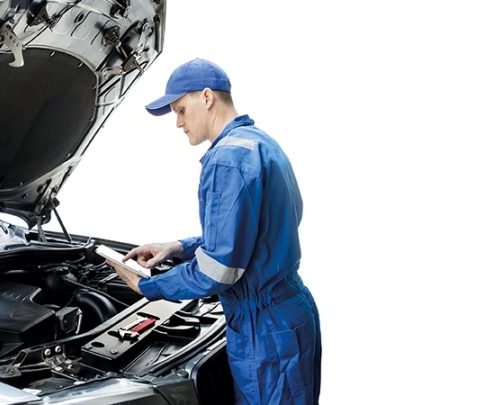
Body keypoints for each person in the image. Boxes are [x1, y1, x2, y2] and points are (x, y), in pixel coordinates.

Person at [106, 58, 321, 405]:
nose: (178, 123)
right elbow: (253, 236)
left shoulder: (226, 159)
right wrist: (176, 247)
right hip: (287, 314)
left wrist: (148, 285)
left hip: (263, 329)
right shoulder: (258, 143)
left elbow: (219, 270)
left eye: (180, 110)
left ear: (206, 97)